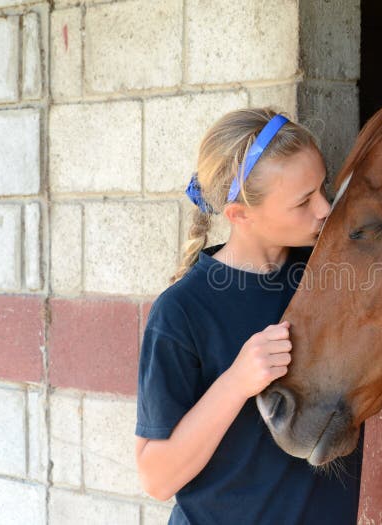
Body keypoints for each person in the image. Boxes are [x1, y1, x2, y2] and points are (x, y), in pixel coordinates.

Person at [134, 108, 364, 524]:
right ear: (240, 215)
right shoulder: (183, 310)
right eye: (303, 201)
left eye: (323, 187)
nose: (325, 208)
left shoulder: (329, 273)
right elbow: (156, 477)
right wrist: (237, 382)